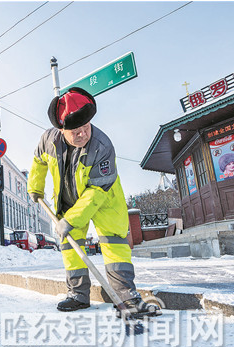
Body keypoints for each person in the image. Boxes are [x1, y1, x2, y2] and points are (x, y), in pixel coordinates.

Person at [27, 87, 160, 318]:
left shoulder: (102, 145)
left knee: (114, 245)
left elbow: (96, 191)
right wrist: (35, 187)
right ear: (61, 130)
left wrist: (71, 219)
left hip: (104, 197)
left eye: (86, 128)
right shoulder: (48, 140)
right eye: (75, 131)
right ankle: (78, 295)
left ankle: (127, 298)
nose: (82, 135)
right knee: (70, 247)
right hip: (68, 198)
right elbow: (38, 161)